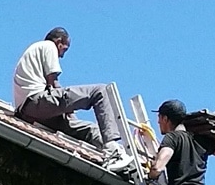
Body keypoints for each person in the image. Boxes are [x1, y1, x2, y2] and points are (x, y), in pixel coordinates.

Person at [13, 27, 133, 172]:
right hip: (35, 101)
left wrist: (69, 113)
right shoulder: (48, 46)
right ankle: (110, 147)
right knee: (100, 91)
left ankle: (117, 157)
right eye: (64, 49)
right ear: (59, 42)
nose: (62, 55)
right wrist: (69, 106)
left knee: (88, 130)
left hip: (32, 111)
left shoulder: (36, 52)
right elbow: (53, 82)